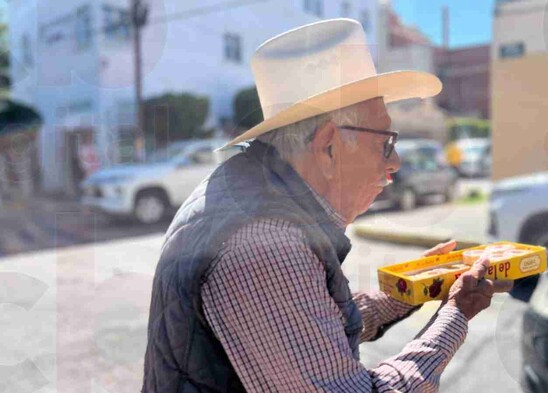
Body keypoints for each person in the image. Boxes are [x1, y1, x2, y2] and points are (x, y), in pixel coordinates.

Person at [142, 19, 512, 393]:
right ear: (329, 145)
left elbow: (311, 328)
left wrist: (413, 286)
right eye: (386, 141)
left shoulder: (250, 192)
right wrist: (456, 314)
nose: (395, 161)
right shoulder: (266, 245)